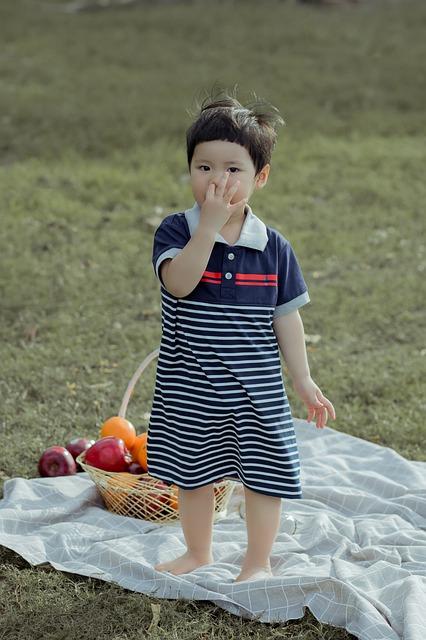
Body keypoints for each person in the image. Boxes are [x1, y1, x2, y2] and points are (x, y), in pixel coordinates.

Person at [148, 84, 336, 583]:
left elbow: (286, 318)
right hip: (192, 383)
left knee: (265, 475)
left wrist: (302, 379)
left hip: (257, 385)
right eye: (204, 167)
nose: (217, 180)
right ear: (190, 169)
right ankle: (198, 552)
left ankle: (257, 561)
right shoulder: (176, 231)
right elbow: (179, 283)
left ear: (261, 177)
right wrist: (207, 229)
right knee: (193, 472)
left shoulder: (274, 248)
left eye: (233, 169)